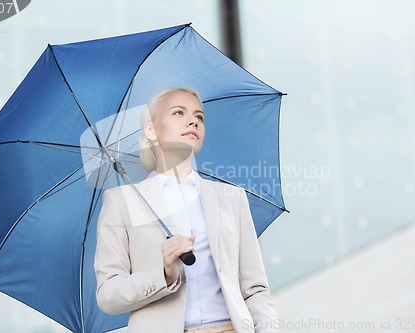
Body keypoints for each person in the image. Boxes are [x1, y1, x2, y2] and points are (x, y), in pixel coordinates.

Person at [94, 87, 279, 333]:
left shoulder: (232, 198)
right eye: (178, 113)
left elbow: (255, 288)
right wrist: (163, 273)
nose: (193, 120)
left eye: (199, 117)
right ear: (151, 130)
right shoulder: (122, 201)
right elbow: (108, 294)